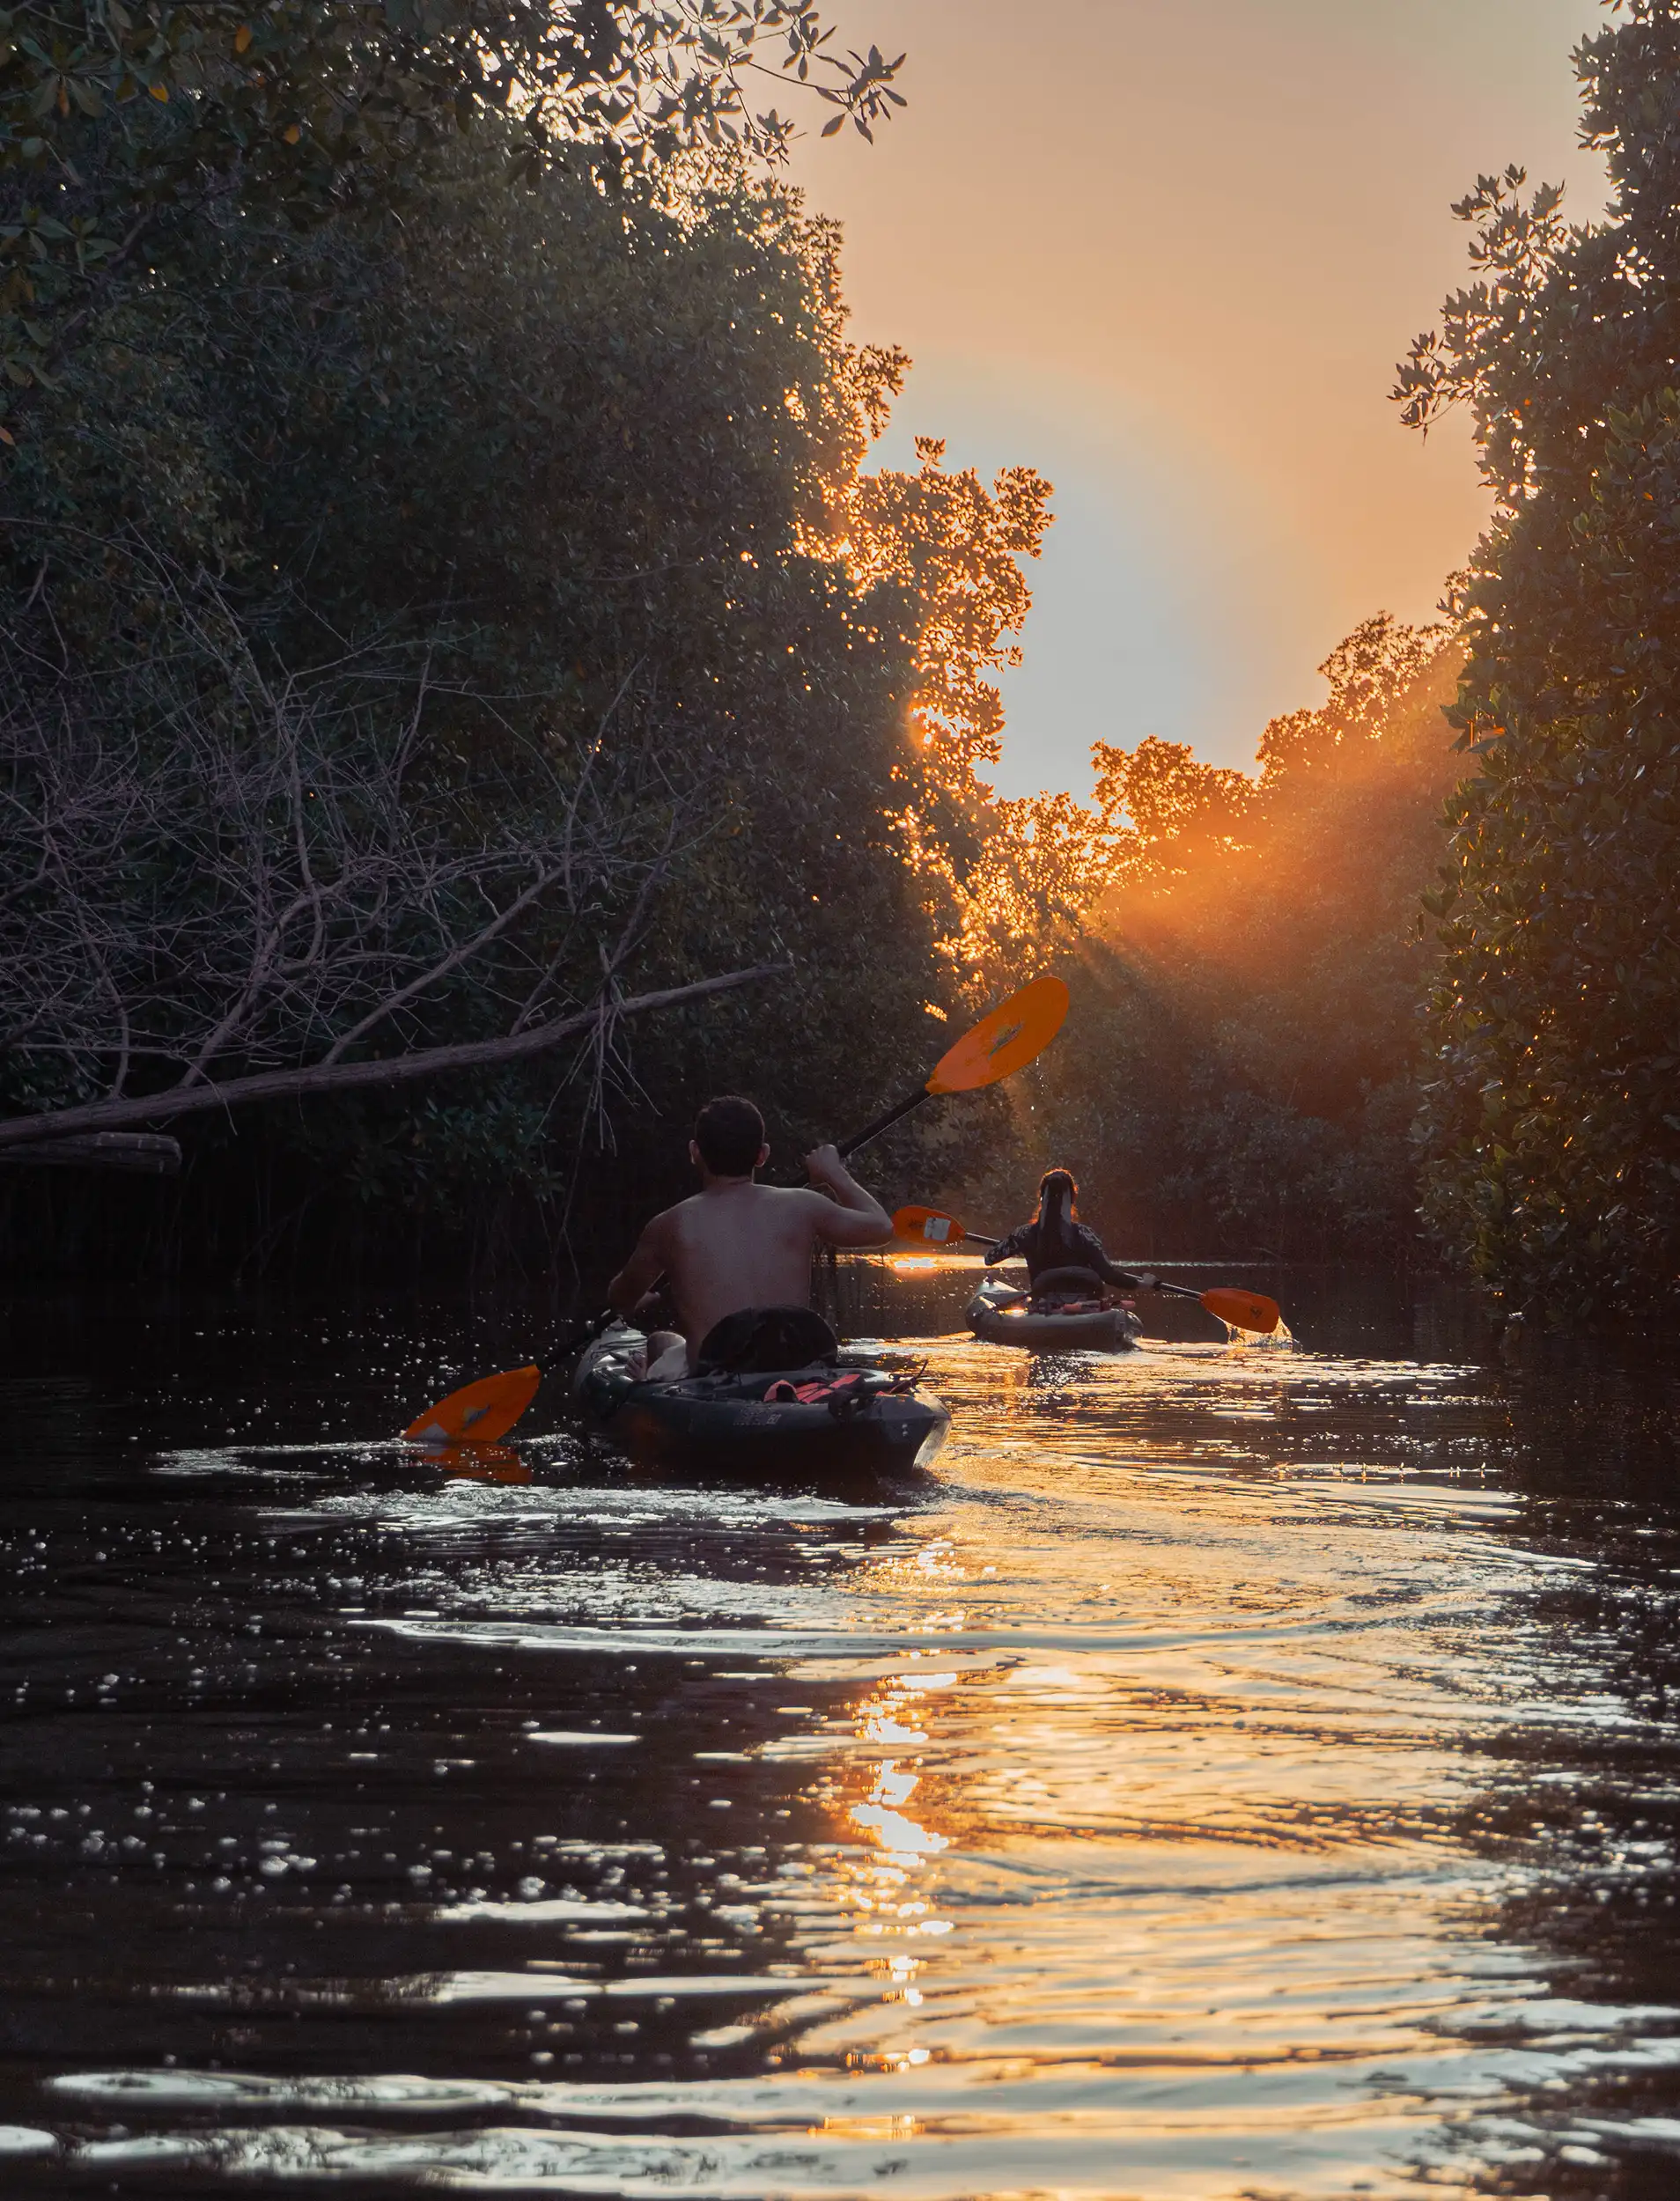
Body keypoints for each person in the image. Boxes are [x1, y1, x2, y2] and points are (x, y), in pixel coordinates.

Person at [607, 1094, 893, 1380]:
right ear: (762, 1155)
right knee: (662, 1341)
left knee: (660, 1342)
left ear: (695, 1152)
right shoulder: (803, 1205)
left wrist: (635, 1297)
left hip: (714, 1379)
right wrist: (834, 1174)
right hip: (792, 1371)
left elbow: (620, 1299)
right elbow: (882, 1227)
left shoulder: (669, 1225)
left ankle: (648, 1378)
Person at [986, 1167, 1159, 1296]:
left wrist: (1015, 1246)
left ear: (1041, 1198)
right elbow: (1109, 1275)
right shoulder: (1085, 1235)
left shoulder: (1024, 1234)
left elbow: (990, 1258)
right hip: (1087, 1303)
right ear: (1073, 1199)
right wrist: (1143, 1284)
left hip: (1045, 1303)